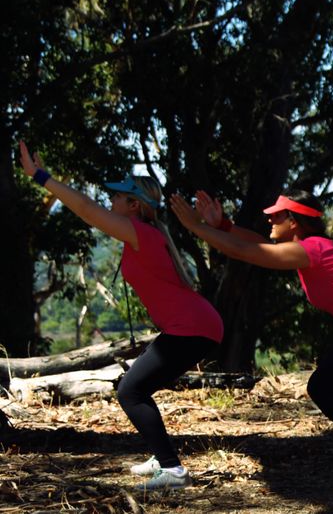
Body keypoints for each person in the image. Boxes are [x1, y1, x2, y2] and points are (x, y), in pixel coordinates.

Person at [168, 189, 333, 486]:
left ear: (294, 221)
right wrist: (222, 227)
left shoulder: (312, 249)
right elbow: (256, 244)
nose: (269, 218)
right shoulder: (311, 248)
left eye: (277, 215)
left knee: (324, 384)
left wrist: (197, 227)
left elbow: (247, 252)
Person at [18, 141, 223, 491]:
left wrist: (40, 176)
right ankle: (163, 457)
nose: (110, 202)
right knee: (140, 387)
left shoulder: (141, 232)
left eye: (117, 197)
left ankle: (173, 471)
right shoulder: (145, 235)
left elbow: (85, 208)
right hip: (195, 325)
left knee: (131, 391)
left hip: (193, 326)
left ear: (135, 205)